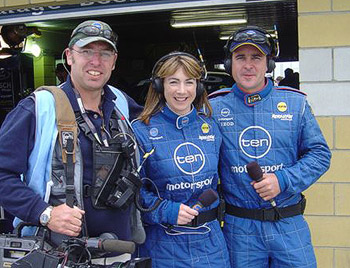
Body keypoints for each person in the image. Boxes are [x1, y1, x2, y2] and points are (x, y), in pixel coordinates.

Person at [0, 20, 145, 263]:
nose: (96, 61)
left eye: (104, 53)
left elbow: (163, 127)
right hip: (55, 254)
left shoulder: (120, 103)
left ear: (114, 61)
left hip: (119, 251)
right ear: (69, 57)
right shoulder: (38, 108)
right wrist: (44, 213)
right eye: (86, 51)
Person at [210, 26, 331, 267]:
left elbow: (320, 155)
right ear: (229, 63)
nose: (248, 65)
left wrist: (282, 180)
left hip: (288, 224)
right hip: (239, 229)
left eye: (256, 57)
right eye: (240, 57)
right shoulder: (213, 108)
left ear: (269, 64)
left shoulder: (295, 103)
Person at [132, 52, 230, 268]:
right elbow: (133, 194)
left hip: (211, 247)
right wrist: (166, 210)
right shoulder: (140, 131)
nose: (182, 90)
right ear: (159, 86)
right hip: (162, 247)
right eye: (173, 82)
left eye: (189, 82)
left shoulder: (212, 127)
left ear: (199, 87)